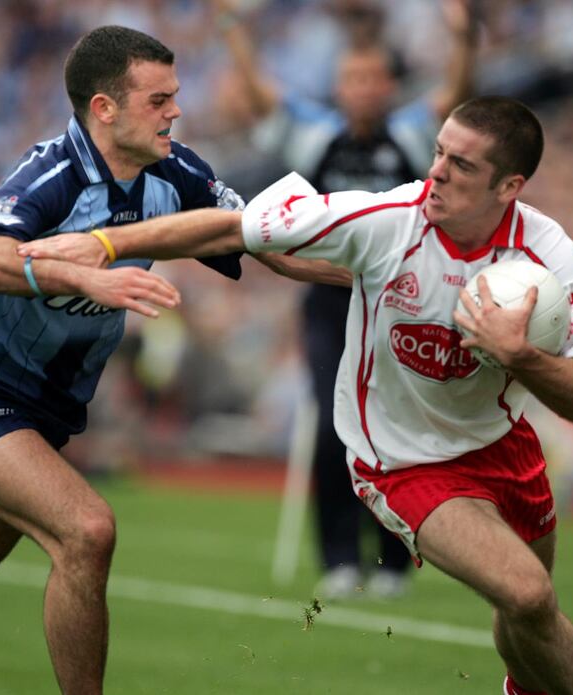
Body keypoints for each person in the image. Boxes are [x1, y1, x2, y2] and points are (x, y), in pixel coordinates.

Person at [20, 96, 573, 695]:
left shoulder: (548, 256)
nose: (436, 170)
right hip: (399, 460)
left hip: (502, 444)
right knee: (527, 592)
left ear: (509, 187)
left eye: (462, 165)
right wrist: (104, 246)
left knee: (527, 612)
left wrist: (521, 354)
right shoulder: (389, 219)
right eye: (439, 152)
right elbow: (232, 229)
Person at [0, 25, 341, 695]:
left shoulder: (179, 173)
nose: (176, 110)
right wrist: (84, 274)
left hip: (40, 413)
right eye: (159, 99)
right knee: (87, 530)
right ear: (104, 109)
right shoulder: (51, 174)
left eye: (174, 96)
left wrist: (384, 272)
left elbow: (265, 241)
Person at [211, 0, 478, 599]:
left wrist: (463, 38)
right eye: (351, 79)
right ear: (339, 86)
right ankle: (338, 559)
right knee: (333, 429)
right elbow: (261, 98)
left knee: (395, 428)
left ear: (388, 85)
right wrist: (232, 28)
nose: (361, 89)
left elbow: (455, 99)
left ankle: (389, 560)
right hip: (330, 304)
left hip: (400, 301)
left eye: (371, 78)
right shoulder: (315, 136)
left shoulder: (413, 134)